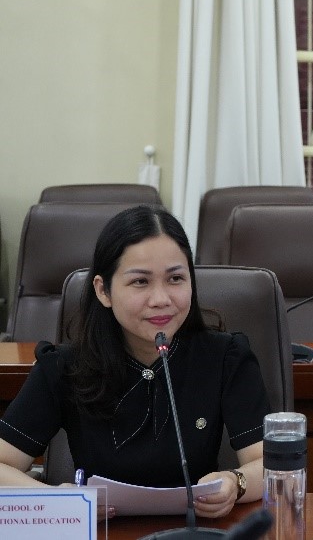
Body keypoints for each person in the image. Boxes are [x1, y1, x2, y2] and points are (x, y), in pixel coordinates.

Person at [0, 205, 270, 519]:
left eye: (176, 278)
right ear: (103, 291)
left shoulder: (225, 356)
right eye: (140, 282)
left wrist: (236, 482)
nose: (161, 299)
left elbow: (271, 463)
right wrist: (63, 500)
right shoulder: (64, 367)